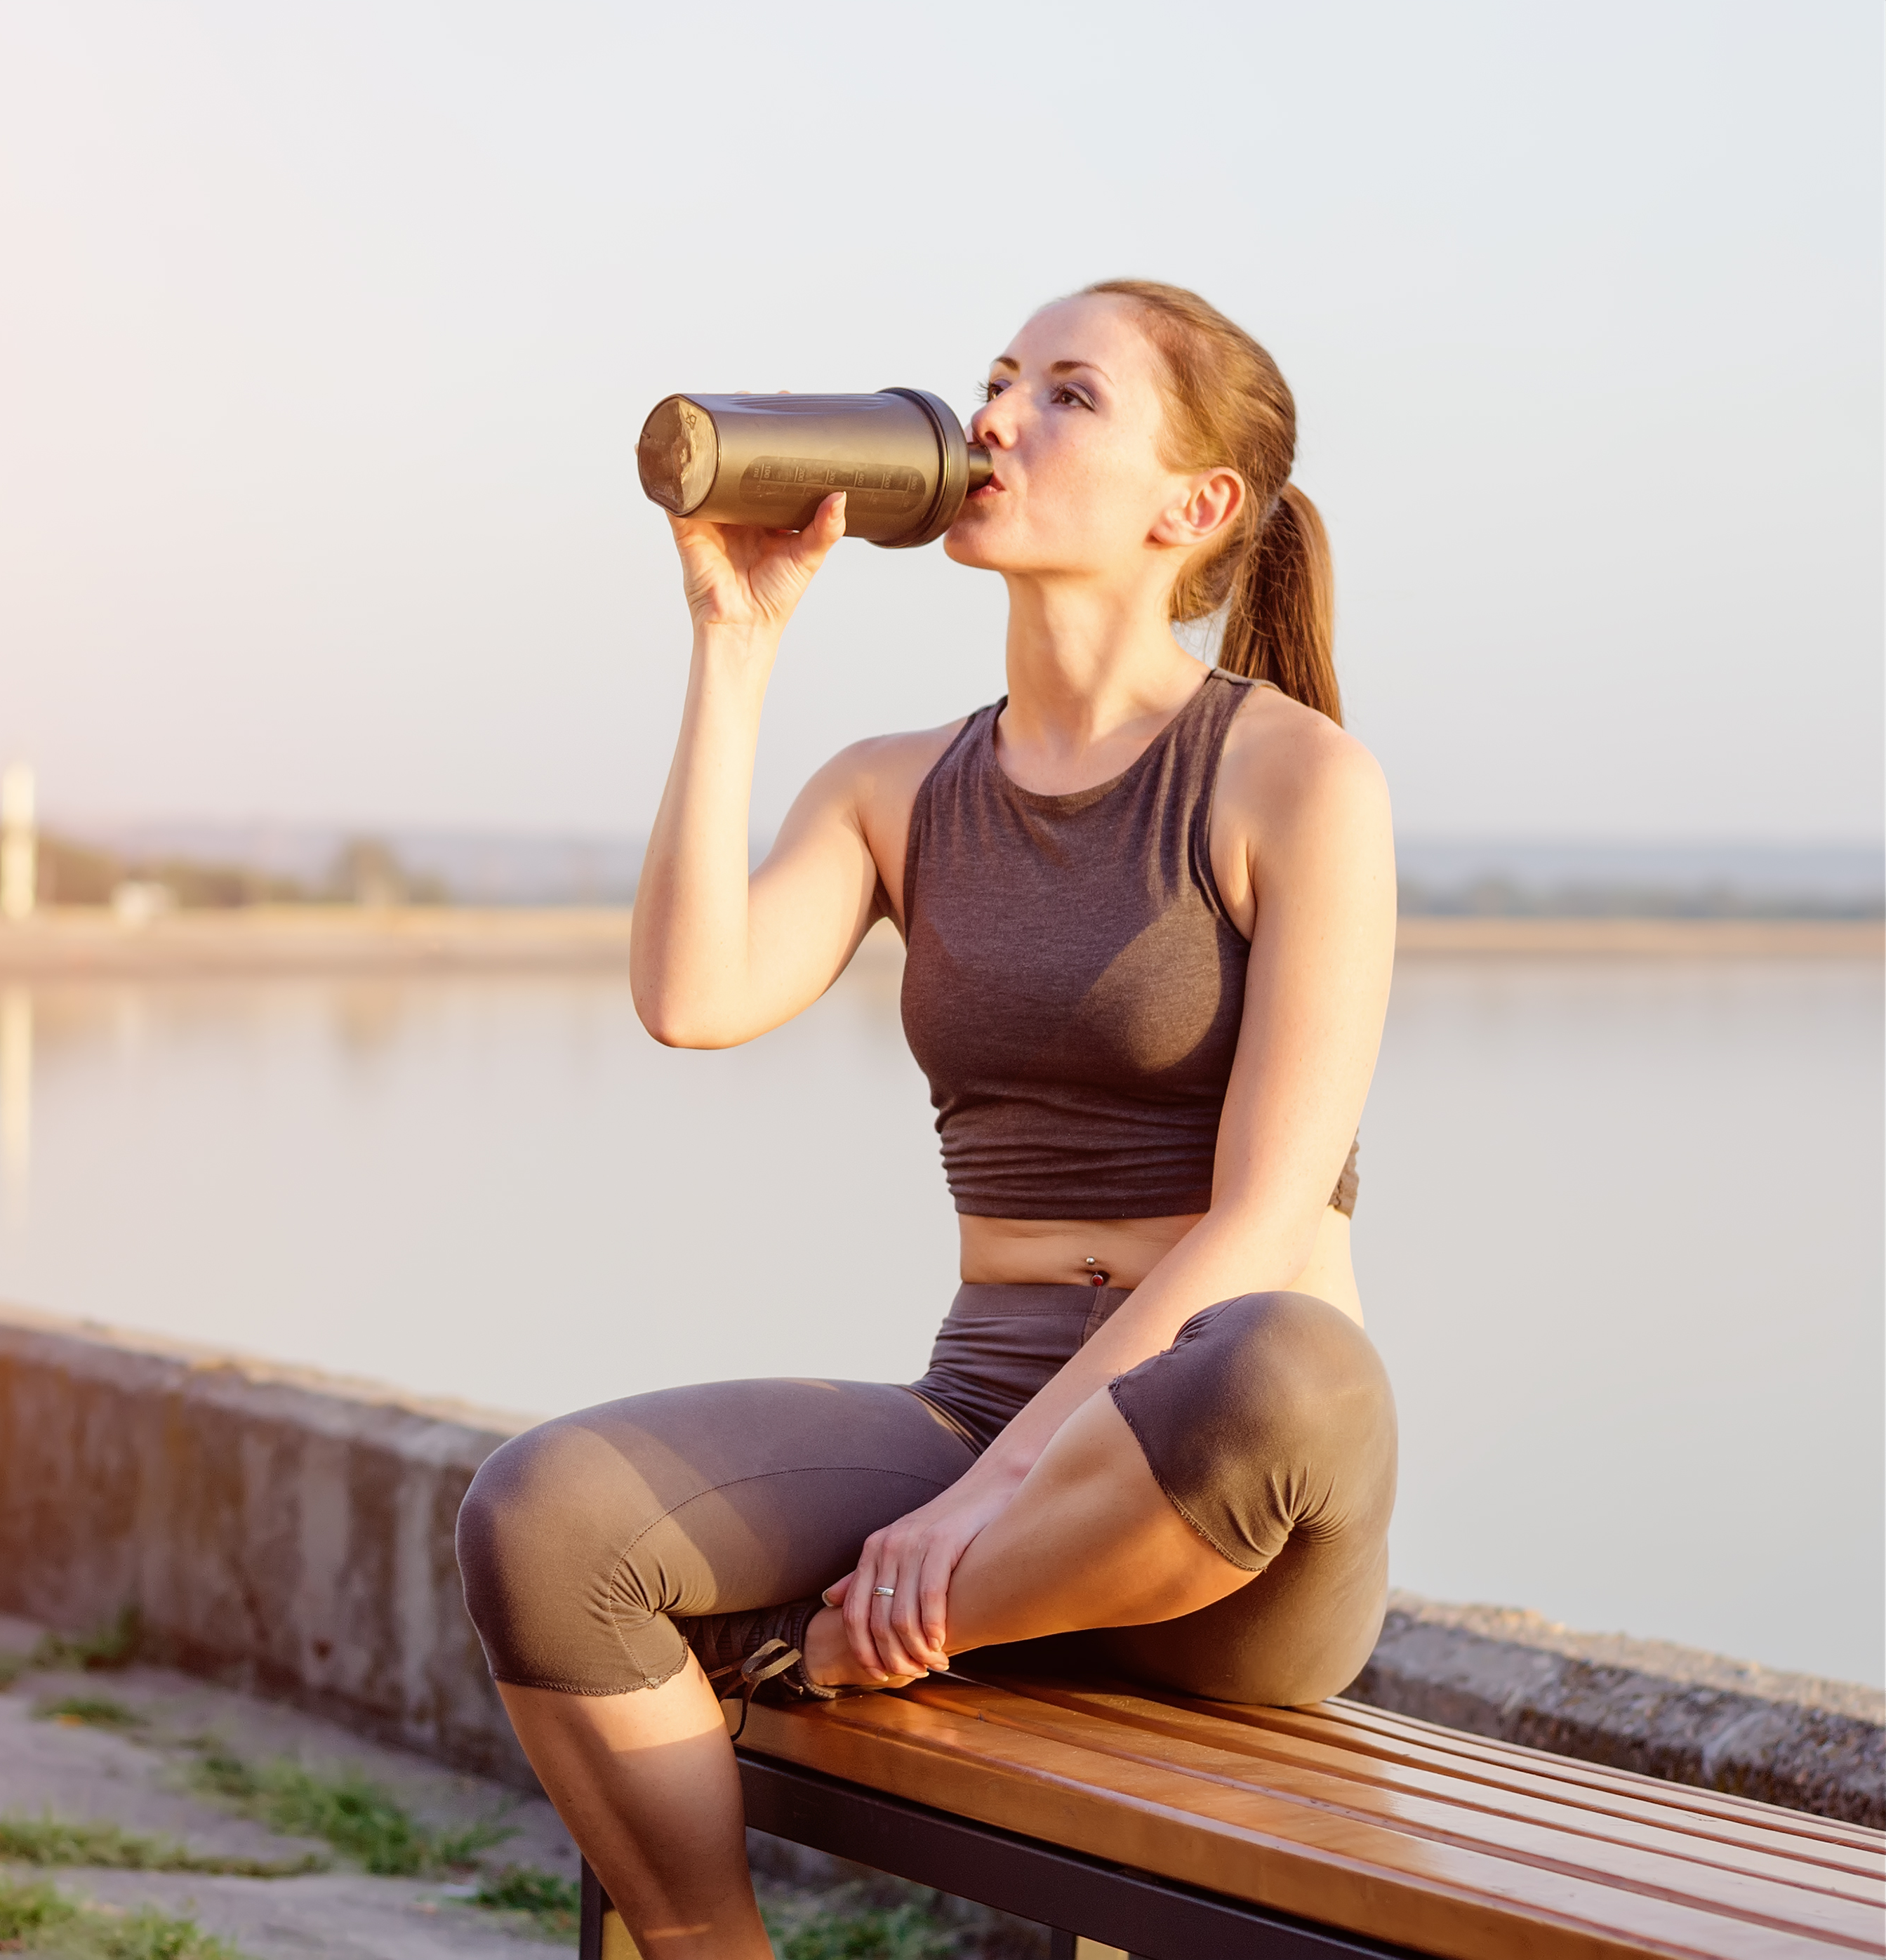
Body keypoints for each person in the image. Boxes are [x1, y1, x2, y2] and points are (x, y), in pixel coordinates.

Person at [455, 281, 1399, 1959]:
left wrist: (970, 1522)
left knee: (1289, 1364)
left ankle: (857, 1634)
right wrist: (734, 641)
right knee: (541, 1512)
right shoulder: (896, 785)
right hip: (977, 1414)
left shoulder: (1296, 780)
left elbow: (1259, 1219)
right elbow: (693, 995)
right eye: (993, 382)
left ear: (1195, 510)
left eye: (1066, 396)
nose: (996, 422)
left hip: (1211, 1518)